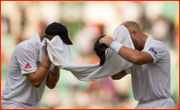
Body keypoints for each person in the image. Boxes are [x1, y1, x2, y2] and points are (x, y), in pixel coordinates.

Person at [99, 21, 174, 109]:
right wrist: (110, 55)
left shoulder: (157, 46)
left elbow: (137, 58)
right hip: (141, 105)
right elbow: (115, 75)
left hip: (160, 104)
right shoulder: (133, 53)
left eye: (127, 40)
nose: (126, 45)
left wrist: (113, 44)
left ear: (134, 33)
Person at [1, 22, 73, 109]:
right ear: (52, 40)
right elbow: (35, 81)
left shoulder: (47, 52)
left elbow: (51, 85)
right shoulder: (26, 48)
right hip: (15, 103)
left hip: (34, 104)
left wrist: (57, 63)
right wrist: (50, 57)